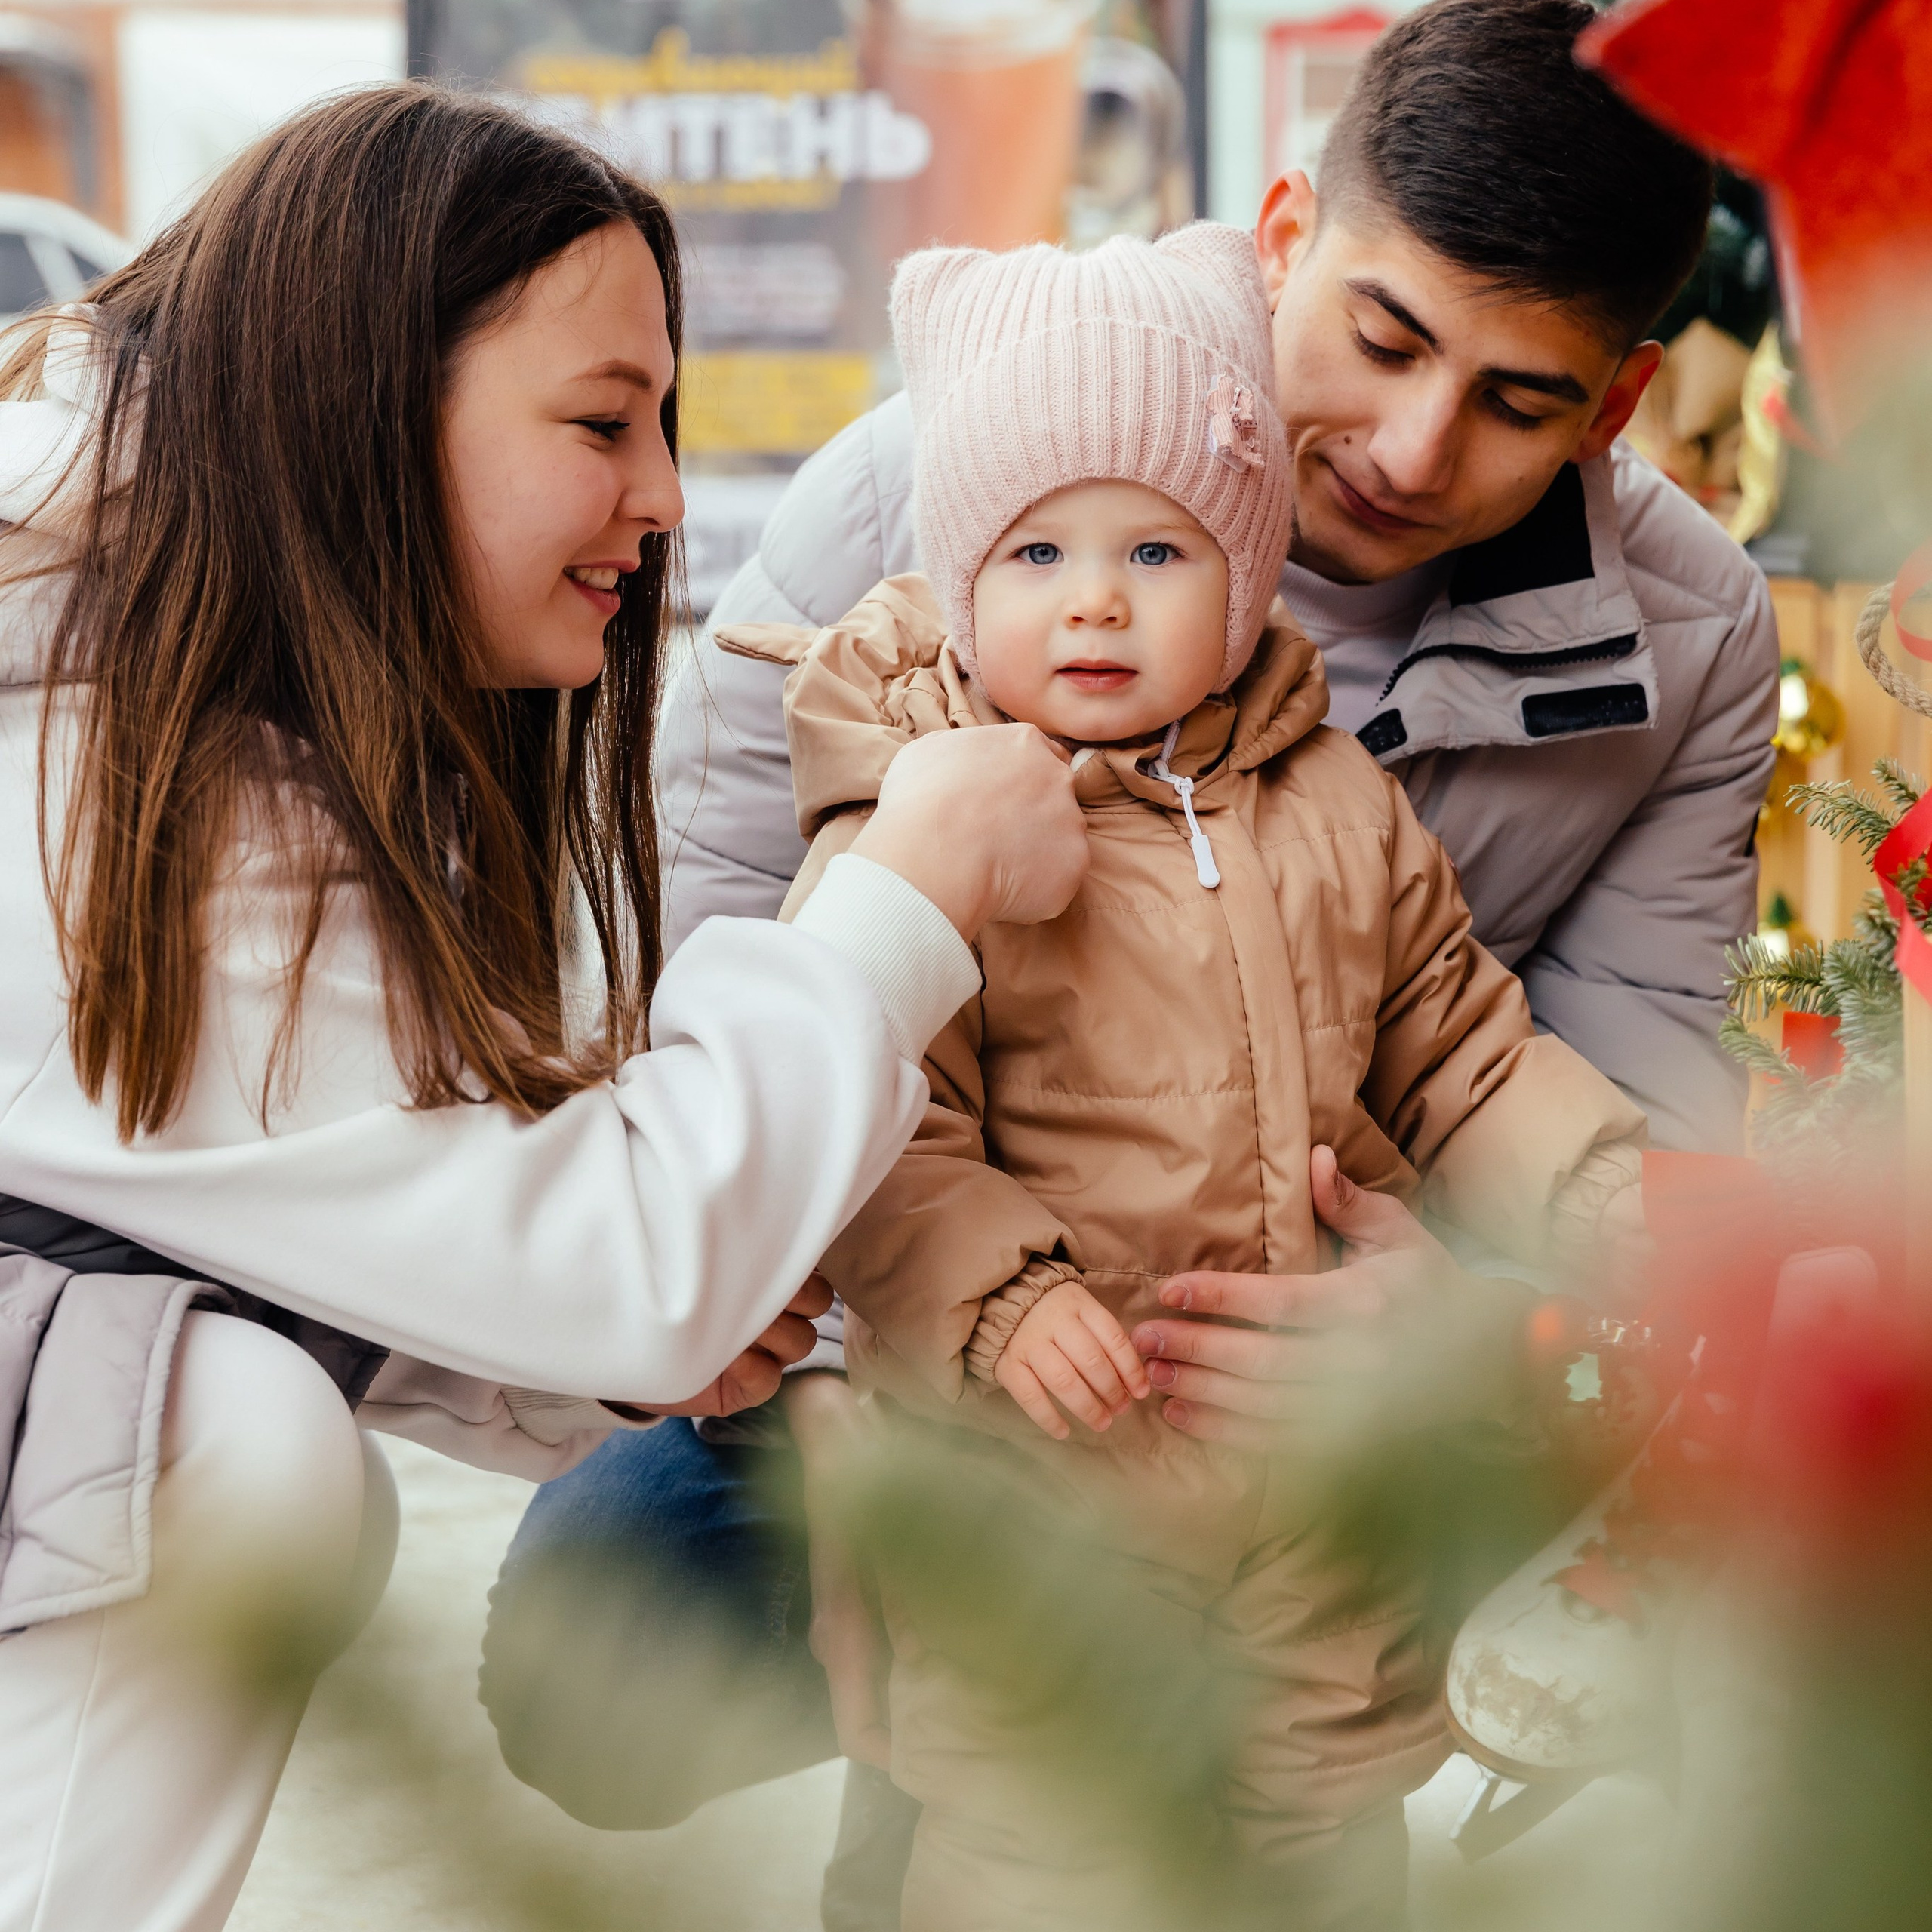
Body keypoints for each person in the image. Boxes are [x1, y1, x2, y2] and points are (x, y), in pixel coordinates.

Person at [481, 0, 1777, 1921]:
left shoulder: (1690, 636)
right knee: (683, 1651)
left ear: (1618, 396)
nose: (1417, 448)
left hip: (1370, 1355)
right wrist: (852, 1394)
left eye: (1521, 399)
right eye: (1383, 338)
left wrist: (1478, 1340)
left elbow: (1594, 1086)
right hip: (983, 1347)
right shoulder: (936, 501)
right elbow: (708, 987)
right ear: (1277, 240)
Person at [0, 85, 1088, 1932]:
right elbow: (632, 1246)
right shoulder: (97, 766)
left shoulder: (188, 668)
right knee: (228, 1449)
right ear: (357, 404)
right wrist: (910, 884)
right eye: (602, 423)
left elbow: (286, 1196)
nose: (660, 497)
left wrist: (576, 1361)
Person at [718, 220, 1655, 1932]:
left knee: (1320, 1825)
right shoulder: (928, 821)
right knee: (1036, 1837)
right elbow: (879, 1130)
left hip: (1308, 1479)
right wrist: (1001, 1298)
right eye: (1035, 549)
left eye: (1156, 546)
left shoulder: (1329, 800)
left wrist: (1599, 1184)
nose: (1093, 595)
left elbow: (1460, 1043)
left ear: (1241, 569)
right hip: (1042, 1471)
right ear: (957, 574)